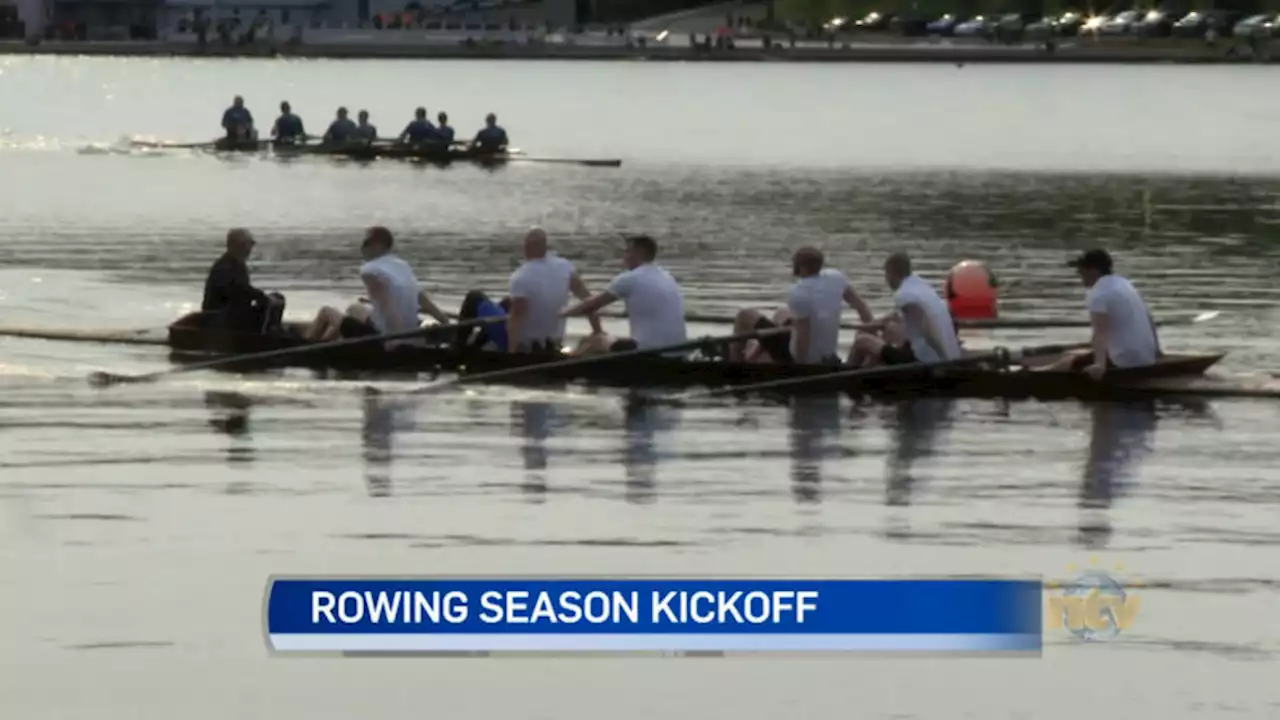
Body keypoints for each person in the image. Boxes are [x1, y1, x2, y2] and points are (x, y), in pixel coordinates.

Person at [307, 227, 451, 347]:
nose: (362, 247)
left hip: (381, 335)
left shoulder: (370, 271)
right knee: (354, 308)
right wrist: (446, 322)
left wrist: (397, 338)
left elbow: (386, 304)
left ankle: (309, 346)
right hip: (410, 328)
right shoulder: (402, 265)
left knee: (325, 311)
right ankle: (328, 343)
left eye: (366, 243)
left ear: (378, 246)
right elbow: (422, 298)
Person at [729, 246, 874, 364]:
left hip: (800, 359)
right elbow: (862, 308)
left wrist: (800, 367)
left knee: (744, 315)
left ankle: (735, 362)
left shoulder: (799, 293)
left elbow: (804, 336)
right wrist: (872, 332)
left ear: (802, 267)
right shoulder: (836, 277)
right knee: (782, 313)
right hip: (828, 355)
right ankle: (754, 356)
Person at [1041, 249, 1160, 379]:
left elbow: (1100, 331)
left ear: (1094, 271)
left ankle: (1036, 373)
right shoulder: (1126, 284)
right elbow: (1149, 320)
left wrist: (1099, 365)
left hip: (1126, 360)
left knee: (1070, 361)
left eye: (1081, 270)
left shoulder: (1098, 293)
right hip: (1148, 356)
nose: (1078, 273)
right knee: (1080, 352)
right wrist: (1157, 350)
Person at [562, 235, 686, 354]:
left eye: (627, 251)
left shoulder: (630, 278)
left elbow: (590, 305)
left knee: (596, 340)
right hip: (678, 349)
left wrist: (560, 314)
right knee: (606, 339)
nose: (624, 257)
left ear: (637, 253)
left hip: (648, 352)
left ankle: (567, 372)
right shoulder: (667, 276)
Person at [848, 251, 962, 368]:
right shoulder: (920, 285)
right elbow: (892, 317)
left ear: (892, 273)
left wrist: (945, 360)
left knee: (861, 341)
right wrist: (862, 326)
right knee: (887, 329)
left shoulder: (903, 295)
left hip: (924, 363)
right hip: (940, 355)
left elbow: (928, 329)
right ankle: (867, 370)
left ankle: (846, 377)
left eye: (886, 274)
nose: (886, 279)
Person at [505, 228, 602, 353]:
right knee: (507, 302)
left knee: (476, 298)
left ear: (525, 248)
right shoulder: (564, 267)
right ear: (546, 247)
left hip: (529, 346)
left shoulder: (519, 277)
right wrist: (598, 331)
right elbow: (589, 300)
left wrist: (512, 353)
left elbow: (516, 317)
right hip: (555, 341)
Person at [201, 228, 284, 334]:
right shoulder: (224, 267)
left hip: (234, 314)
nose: (250, 249)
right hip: (219, 318)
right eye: (247, 244)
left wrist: (264, 298)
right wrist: (264, 298)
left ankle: (271, 331)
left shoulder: (238, 264)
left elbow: (243, 291)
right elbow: (238, 290)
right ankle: (264, 337)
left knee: (278, 298)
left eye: (251, 245)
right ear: (236, 245)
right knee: (269, 304)